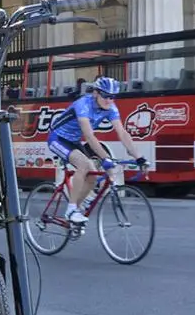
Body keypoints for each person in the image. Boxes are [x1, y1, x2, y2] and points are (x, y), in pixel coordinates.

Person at [46, 76, 147, 224]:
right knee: (84, 165)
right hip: (57, 138)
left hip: (73, 141)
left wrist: (139, 157)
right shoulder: (83, 105)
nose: (109, 100)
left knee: (92, 176)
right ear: (96, 93)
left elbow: (122, 133)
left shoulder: (111, 108)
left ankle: (75, 210)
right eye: (105, 95)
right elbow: (89, 136)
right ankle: (71, 209)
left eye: (112, 97)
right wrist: (106, 158)